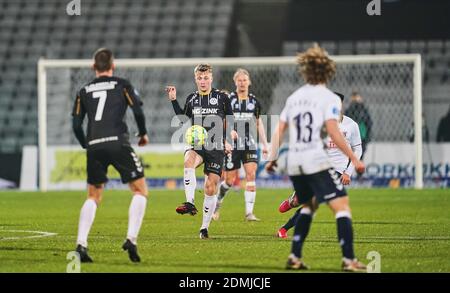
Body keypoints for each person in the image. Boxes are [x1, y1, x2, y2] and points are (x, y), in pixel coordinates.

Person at [267, 44, 366, 272]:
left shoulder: (294, 97)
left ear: (306, 72)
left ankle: (294, 257)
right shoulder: (329, 98)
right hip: (315, 158)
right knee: (341, 206)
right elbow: (333, 131)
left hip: (294, 161)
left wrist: (272, 159)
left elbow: (279, 130)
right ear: (327, 71)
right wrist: (355, 159)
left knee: (309, 205)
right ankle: (349, 260)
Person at [72, 48, 149, 263]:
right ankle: (131, 239)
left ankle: (81, 244)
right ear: (113, 66)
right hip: (118, 142)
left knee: (93, 196)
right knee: (140, 190)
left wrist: (86, 145)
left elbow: (76, 125)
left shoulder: (84, 90)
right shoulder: (122, 84)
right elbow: (138, 112)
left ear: (93, 67)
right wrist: (142, 134)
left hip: (95, 145)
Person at [270, 92, 362, 239]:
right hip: (317, 166)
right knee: (301, 201)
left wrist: (348, 172)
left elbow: (358, 149)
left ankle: (284, 229)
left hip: (337, 170)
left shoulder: (351, 125)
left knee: (313, 201)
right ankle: (293, 201)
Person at [166, 64, 235, 239]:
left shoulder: (222, 98)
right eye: (199, 78)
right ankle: (190, 203)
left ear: (211, 78)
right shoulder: (192, 99)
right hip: (197, 144)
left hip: (216, 146)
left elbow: (230, 120)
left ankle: (204, 228)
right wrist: (173, 100)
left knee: (210, 188)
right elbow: (183, 120)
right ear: (195, 79)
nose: (203, 81)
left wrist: (228, 139)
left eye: (206, 78)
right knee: (188, 161)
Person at [213, 68, 269, 221]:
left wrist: (265, 144)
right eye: (239, 80)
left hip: (249, 142)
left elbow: (258, 124)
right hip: (232, 144)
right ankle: (217, 202)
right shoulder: (228, 100)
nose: (242, 83)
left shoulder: (254, 101)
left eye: (245, 80)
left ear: (249, 82)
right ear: (235, 82)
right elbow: (221, 122)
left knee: (251, 175)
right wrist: (224, 140)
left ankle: (249, 213)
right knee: (229, 181)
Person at [345, 91, 372, 160]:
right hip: (351, 137)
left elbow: (369, 123)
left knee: (360, 156)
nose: (355, 100)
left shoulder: (364, 110)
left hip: (361, 136)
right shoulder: (349, 110)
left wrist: (368, 136)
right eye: (353, 98)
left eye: (356, 97)